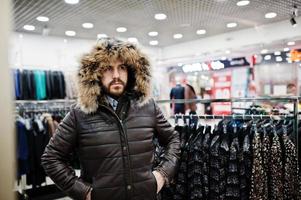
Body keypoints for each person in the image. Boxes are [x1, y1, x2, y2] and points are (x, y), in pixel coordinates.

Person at [41, 38, 181, 200]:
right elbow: (51, 158)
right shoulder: (79, 113)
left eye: (121, 67)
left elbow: (173, 139)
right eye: (108, 68)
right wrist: (84, 192)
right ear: (96, 73)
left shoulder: (148, 107)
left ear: (131, 70)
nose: (116, 75)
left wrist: (162, 175)